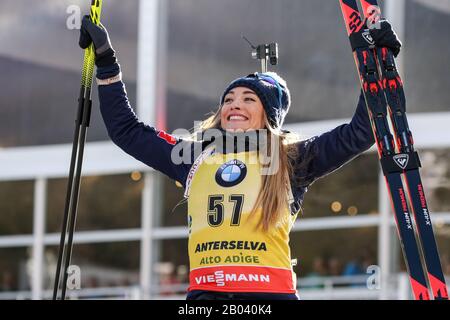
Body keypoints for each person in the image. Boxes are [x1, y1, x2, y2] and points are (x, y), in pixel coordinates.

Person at [78, 15, 401, 300]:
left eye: (249, 98)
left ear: (268, 116)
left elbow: (361, 131)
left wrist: (376, 69)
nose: (235, 104)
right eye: (229, 98)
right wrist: (107, 61)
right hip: (207, 295)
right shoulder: (194, 156)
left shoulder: (292, 158)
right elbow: (127, 131)